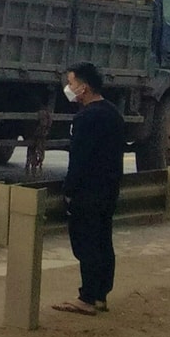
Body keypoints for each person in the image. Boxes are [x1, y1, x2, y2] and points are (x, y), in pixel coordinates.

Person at [52, 61, 125, 316]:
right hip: (109, 189)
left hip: (88, 192)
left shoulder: (86, 118)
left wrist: (69, 190)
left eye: (71, 83)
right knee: (103, 240)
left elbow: (79, 160)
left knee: (85, 244)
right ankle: (100, 296)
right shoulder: (113, 113)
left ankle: (87, 297)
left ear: (83, 88)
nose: (68, 88)